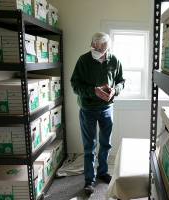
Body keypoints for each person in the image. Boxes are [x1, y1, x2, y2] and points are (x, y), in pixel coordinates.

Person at [70, 32, 125, 195]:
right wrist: (92, 91)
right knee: (90, 146)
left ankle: (102, 172)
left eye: (104, 49)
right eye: (97, 48)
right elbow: (75, 85)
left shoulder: (114, 60)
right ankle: (89, 180)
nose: (101, 52)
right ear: (93, 45)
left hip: (107, 108)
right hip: (88, 109)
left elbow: (122, 81)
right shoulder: (83, 60)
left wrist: (115, 90)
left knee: (106, 143)